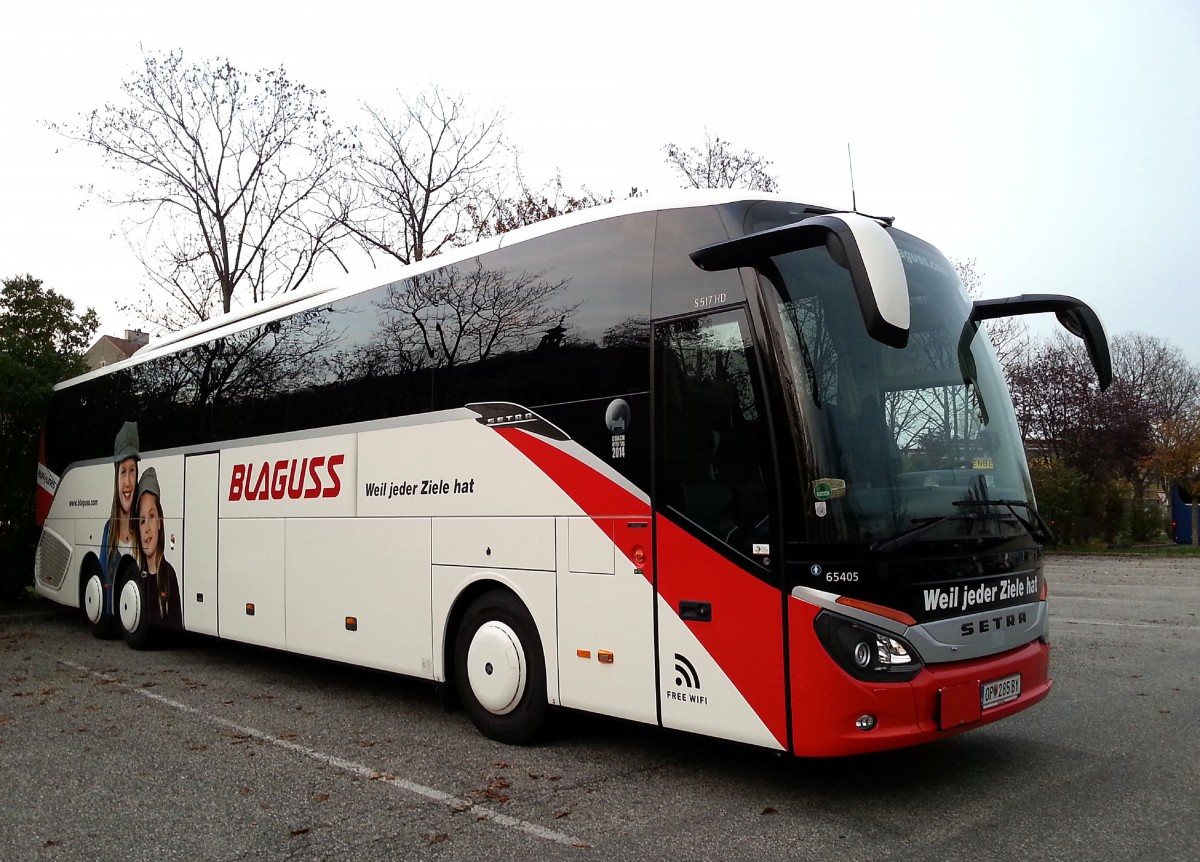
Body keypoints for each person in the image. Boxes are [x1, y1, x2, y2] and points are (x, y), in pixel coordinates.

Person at [100, 421, 140, 615]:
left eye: (132, 471)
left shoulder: (144, 531)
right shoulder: (109, 532)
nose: (127, 482)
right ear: (116, 478)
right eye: (123, 472)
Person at [135, 467, 182, 629]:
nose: (147, 527)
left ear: (160, 522)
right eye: (141, 521)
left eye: (152, 516)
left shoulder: (169, 576)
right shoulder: (136, 575)